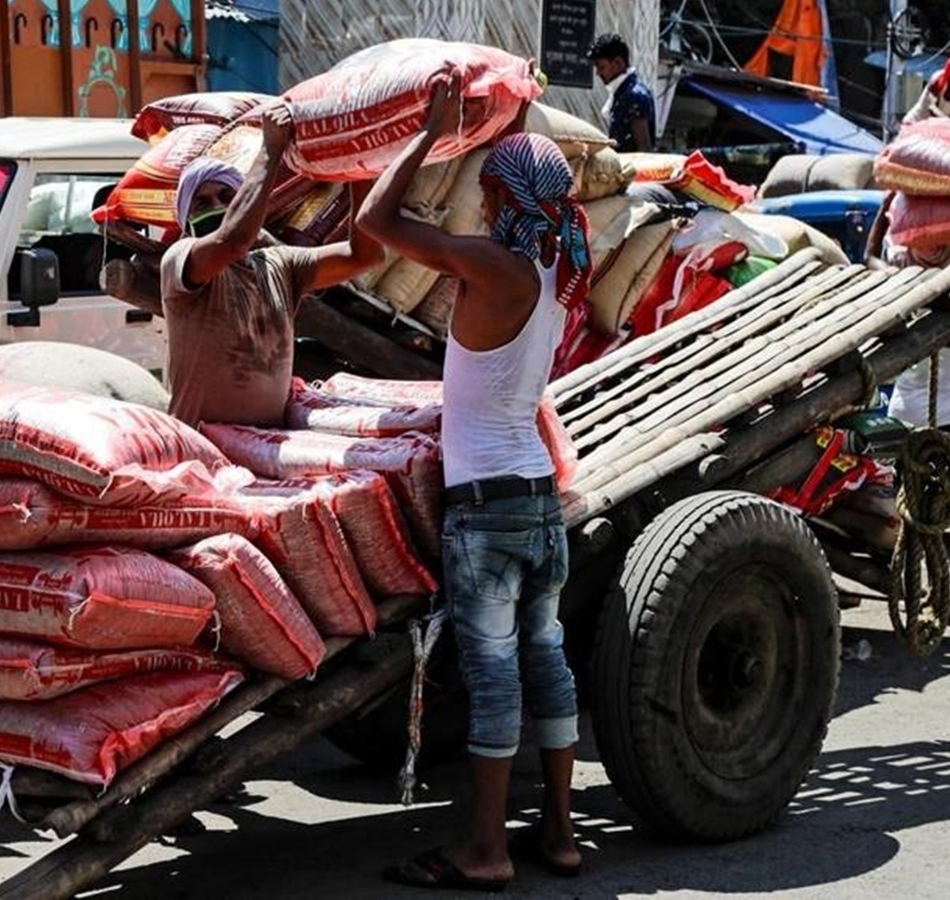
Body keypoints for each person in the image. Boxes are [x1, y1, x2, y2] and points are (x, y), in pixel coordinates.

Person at [358, 79, 588, 890]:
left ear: (501, 194)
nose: (481, 199)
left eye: (487, 187)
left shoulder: (495, 264)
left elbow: (374, 224)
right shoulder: (557, 269)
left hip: (487, 510)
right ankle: (558, 836)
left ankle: (485, 851)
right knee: (547, 663)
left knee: (495, 679)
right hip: (535, 498)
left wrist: (426, 135)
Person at [160, 102, 384, 427]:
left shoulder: (281, 265)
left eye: (227, 197)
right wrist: (271, 148)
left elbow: (364, 255)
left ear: (244, 203)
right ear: (185, 219)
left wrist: (358, 166)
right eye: (202, 202)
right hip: (202, 448)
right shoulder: (181, 259)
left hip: (264, 448)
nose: (217, 206)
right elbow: (232, 241)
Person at [865, 116, 950, 631]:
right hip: (933, 411)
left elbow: (870, 255)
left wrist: (885, 211)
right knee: (935, 504)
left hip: (931, 411)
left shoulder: (937, 282)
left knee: (933, 503)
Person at [588, 32, 655, 153]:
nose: (598, 73)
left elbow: (644, 149)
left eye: (601, 67)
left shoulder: (634, 96)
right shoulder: (621, 94)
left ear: (618, 63)